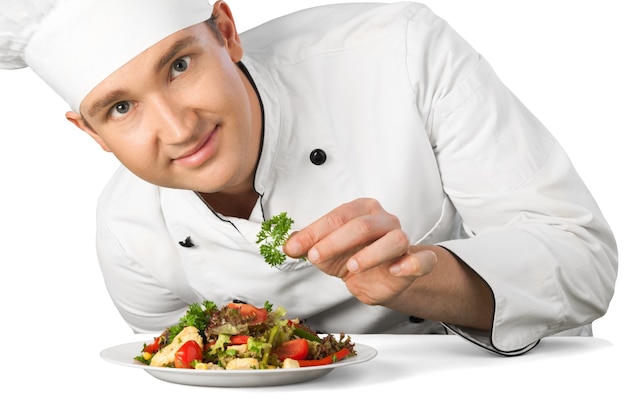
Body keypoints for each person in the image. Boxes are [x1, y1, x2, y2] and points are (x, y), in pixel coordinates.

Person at [0, 0, 617, 356]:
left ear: (226, 31)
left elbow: (584, 263)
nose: (179, 128)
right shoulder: (129, 236)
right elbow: (186, 376)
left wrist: (419, 280)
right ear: (90, 133)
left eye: (180, 65)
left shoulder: (398, 52)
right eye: (121, 108)